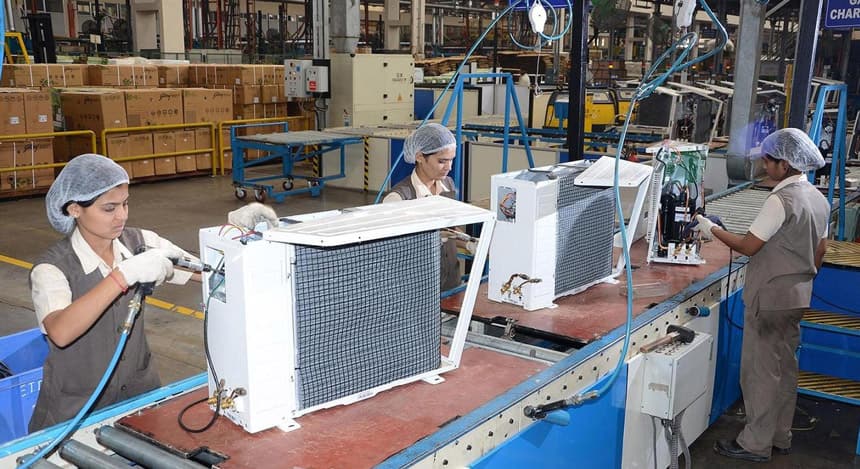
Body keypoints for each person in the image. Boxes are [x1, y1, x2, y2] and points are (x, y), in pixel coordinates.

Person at [28, 154, 194, 432]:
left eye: (125, 204)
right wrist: (123, 275)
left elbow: (203, 269)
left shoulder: (140, 242)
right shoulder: (51, 268)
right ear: (74, 209)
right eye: (109, 208)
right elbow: (60, 331)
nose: (122, 216)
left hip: (139, 395)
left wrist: (238, 240)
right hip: (76, 410)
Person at [695, 128, 829, 463]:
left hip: (769, 299)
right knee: (784, 368)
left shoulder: (780, 200)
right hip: (798, 295)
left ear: (785, 164)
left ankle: (754, 444)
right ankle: (779, 436)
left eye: (769, 161)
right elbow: (821, 249)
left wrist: (709, 227)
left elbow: (748, 246)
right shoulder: (818, 197)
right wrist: (800, 274)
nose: (765, 167)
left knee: (760, 372)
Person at [383, 123, 461, 290]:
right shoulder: (398, 198)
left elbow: (451, 229)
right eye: (442, 161)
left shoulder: (448, 184)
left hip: (451, 283)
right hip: (418, 288)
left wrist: (470, 242)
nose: (449, 167)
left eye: (451, 160)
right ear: (419, 156)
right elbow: (392, 250)